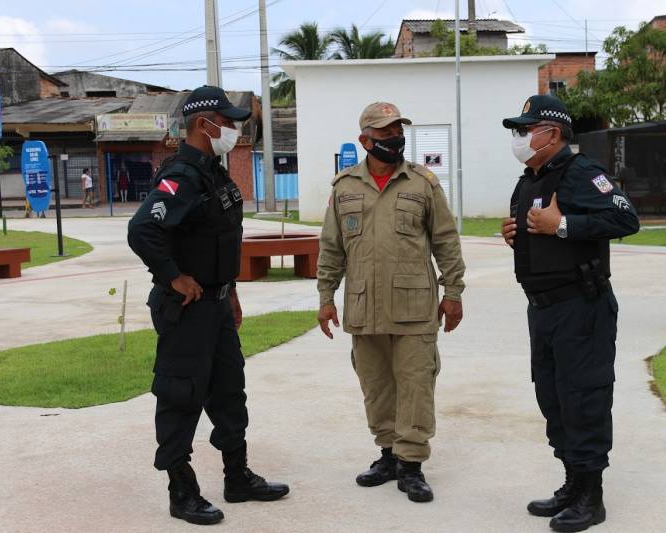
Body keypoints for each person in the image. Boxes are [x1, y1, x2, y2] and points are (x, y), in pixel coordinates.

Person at [127, 85, 288, 526]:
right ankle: (182, 490)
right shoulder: (181, 174)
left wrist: (231, 291)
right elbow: (143, 230)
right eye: (229, 121)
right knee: (181, 395)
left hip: (216, 305)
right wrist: (173, 276)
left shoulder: (213, 172)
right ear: (205, 124)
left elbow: (218, 240)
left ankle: (237, 477)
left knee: (229, 391)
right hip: (187, 309)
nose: (234, 129)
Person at [500, 94, 640, 532]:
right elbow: (539, 234)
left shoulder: (582, 173)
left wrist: (562, 225)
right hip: (542, 310)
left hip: (582, 308)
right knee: (554, 399)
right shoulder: (529, 180)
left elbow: (626, 219)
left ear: (552, 133)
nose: (520, 138)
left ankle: (591, 498)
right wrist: (518, 235)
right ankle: (572, 484)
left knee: (584, 398)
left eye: (526, 130)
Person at [317, 102, 466, 503]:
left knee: (416, 386)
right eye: (385, 134)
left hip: (415, 308)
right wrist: (325, 297)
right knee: (377, 387)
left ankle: (412, 464)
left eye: (398, 132)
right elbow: (332, 249)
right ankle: (388, 455)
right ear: (365, 140)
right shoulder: (344, 187)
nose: (394, 140)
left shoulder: (423, 183)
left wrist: (453, 293)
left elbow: (446, 241)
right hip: (364, 308)